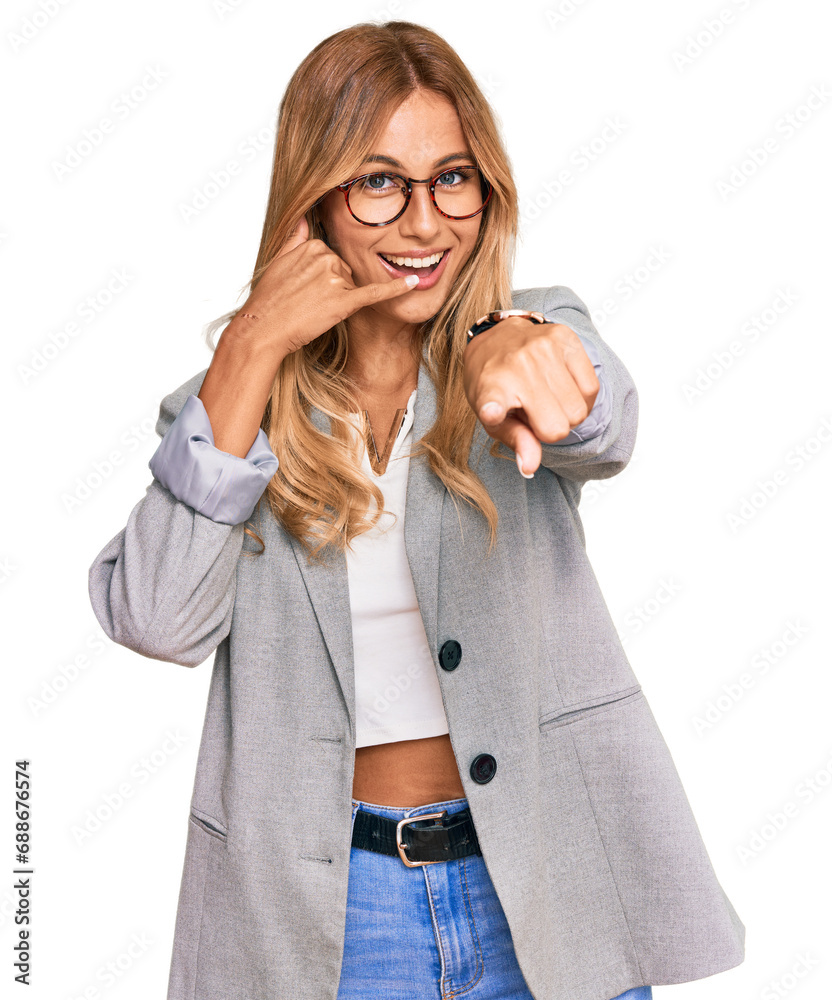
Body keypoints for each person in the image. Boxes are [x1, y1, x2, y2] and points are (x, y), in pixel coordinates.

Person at [88, 19, 745, 1000]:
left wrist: (511, 345)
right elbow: (154, 618)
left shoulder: (523, 333)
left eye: (453, 177)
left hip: (543, 878)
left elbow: (597, 418)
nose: (426, 221)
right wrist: (248, 352)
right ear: (315, 199)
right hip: (334, 910)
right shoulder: (228, 412)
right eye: (380, 180)